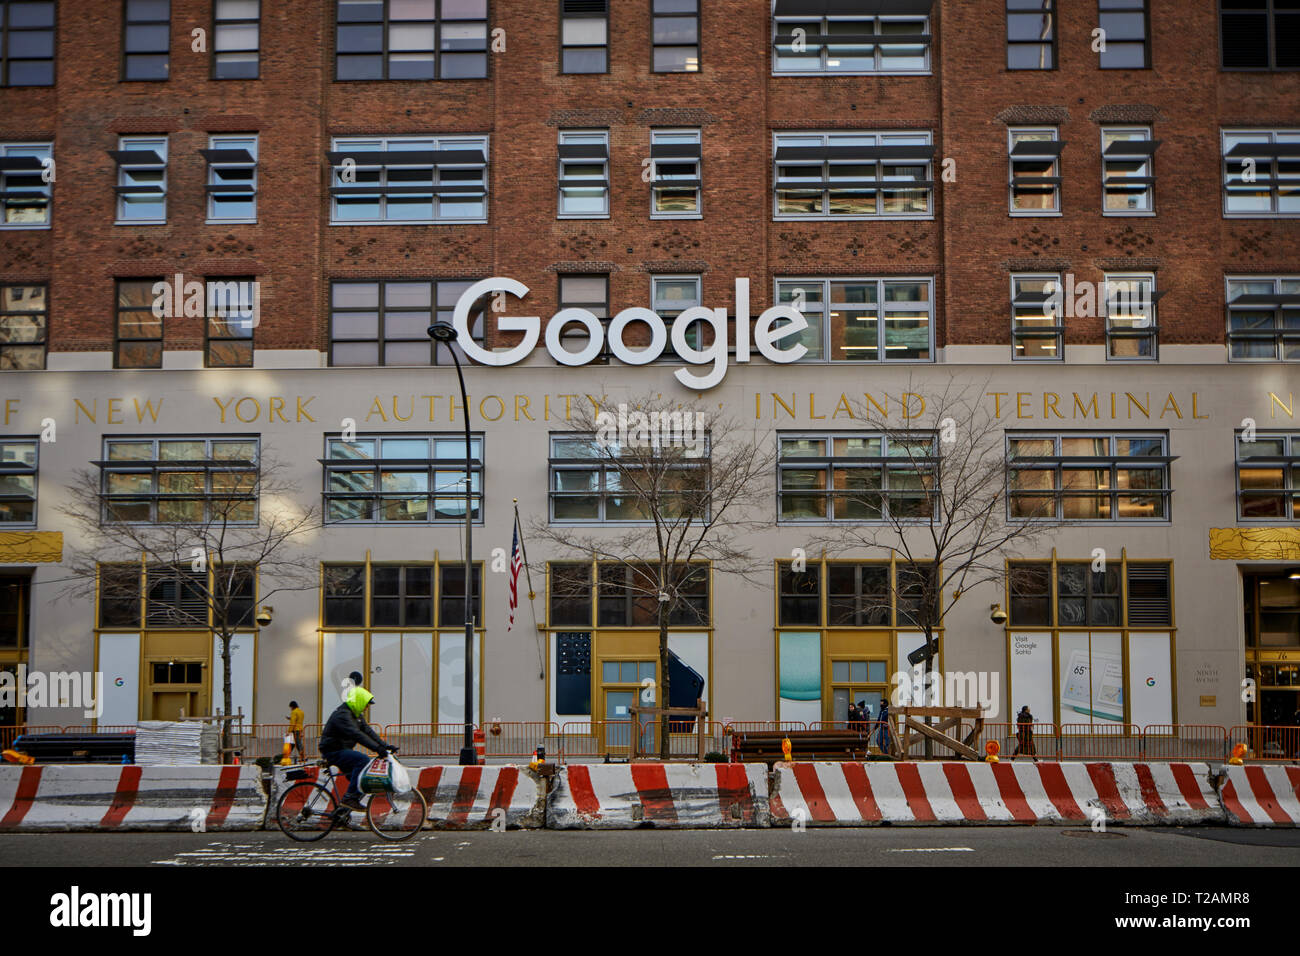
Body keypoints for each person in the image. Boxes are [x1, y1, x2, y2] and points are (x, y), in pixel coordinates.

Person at [318, 675, 394, 811]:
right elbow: (357, 734)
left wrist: (384, 745)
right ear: (358, 701)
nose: (366, 708)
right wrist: (377, 749)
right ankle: (349, 799)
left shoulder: (356, 715)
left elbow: (368, 731)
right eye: (365, 705)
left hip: (342, 749)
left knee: (361, 782)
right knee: (363, 760)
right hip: (333, 751)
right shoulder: (343, 715)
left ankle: (342, 814)